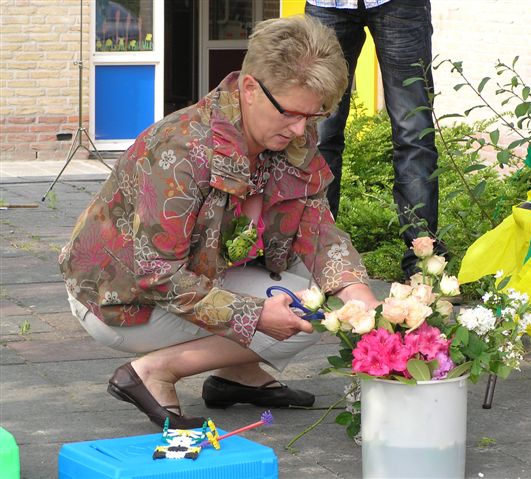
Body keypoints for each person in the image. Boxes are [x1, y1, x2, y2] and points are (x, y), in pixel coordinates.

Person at [59, 15, 379, 429]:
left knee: (326, 296)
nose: (301, 128)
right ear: (250, 88)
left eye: (315, 115)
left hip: (198, 271)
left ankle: (236, 375)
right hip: (121, 300)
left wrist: (356, 291)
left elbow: (314, 225)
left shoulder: (289, 131)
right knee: (307, 314)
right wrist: (254, 316)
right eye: (292, 113)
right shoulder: (180, 150)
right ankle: (154, 372)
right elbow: (157, 277)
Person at [305, 0, 441, 279]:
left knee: (414, 134)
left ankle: (423, 265)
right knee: (316, 133)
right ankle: (313, 257)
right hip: (327, 4)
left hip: (400, 5)